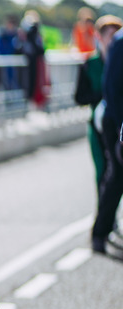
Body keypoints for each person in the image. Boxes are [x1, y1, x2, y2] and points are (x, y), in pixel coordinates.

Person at [74, 16, 123, 192]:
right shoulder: (90, 64)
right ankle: (104, 215)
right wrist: (105, 95)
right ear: (99, 37)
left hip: (117, 121)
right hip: (99, 122)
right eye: (110, 35)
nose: (113, 39)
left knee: (116, 173)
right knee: (104, 170)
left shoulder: (119, 59)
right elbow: (79, 97)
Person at [92, 27, 123, 254]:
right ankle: (100, 233)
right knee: (116, 178)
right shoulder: (120, 42)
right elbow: (112, 89)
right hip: (117, 121)